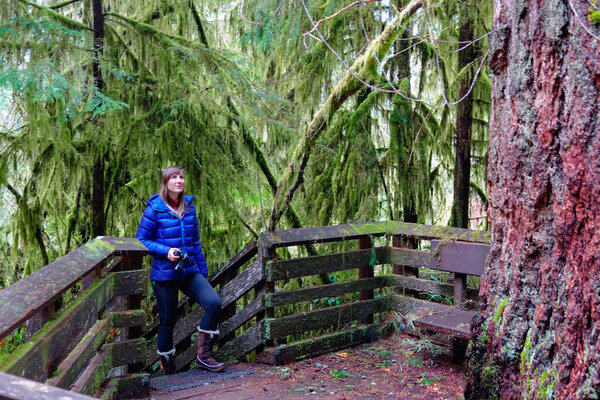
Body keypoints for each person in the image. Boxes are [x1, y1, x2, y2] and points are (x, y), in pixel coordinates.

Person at [136, 166, 224, 374]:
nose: (179, 181)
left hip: (188, 271)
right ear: (165, 182)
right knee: (168, 322)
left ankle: (203, 357)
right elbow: (142, 240)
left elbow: (195, 243)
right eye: (174, 177)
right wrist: (166, 251)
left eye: (182, 177)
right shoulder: (154, 209)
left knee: (213, 303)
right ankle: (169, 372)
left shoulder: (189, 208)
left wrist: (202, 273)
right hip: (165, 275)